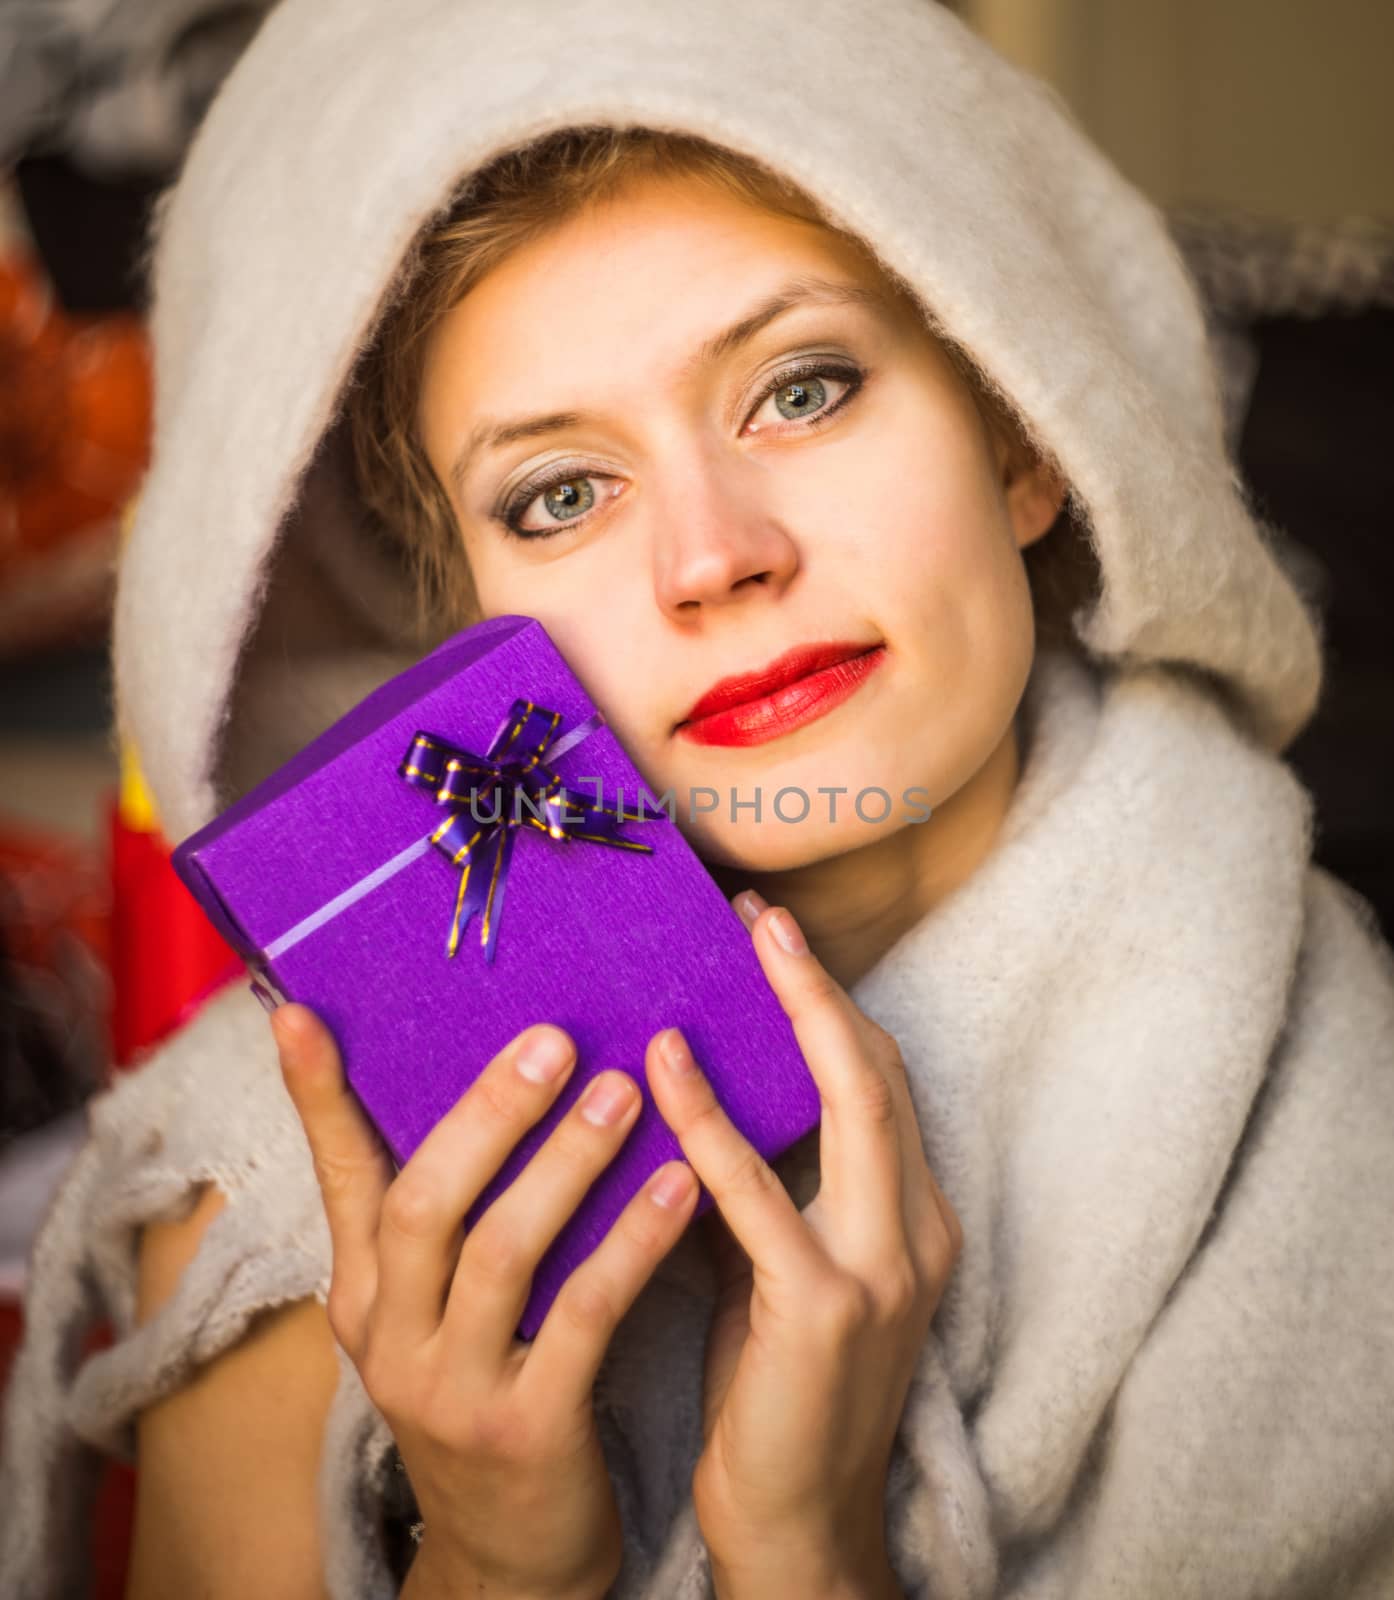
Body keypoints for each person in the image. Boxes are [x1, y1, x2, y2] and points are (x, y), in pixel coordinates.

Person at [3, 1, 1393, 1597]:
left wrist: (806, 1552)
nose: (713, 557)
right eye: (562, 494)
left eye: (799, 390)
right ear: (473, 636)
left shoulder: (1325, 1108)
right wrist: (498, 1554)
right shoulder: (283, 1190)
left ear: (1022, 435)